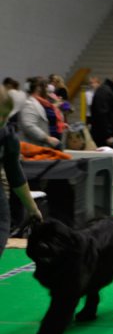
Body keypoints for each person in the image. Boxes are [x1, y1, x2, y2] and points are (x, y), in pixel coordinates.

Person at [0, 87, 44, 258]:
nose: (3, 120)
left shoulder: (8, 137)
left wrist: (33, 209)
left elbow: (15, 174)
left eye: (5, 115)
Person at [18, 77, 63, 149]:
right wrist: (47, 138)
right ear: (38, 88)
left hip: (37, 147)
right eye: (45, 87)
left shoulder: (41, 103)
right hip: (30, 148)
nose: (47, 90)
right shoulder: (29, 103)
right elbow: (29, 125)